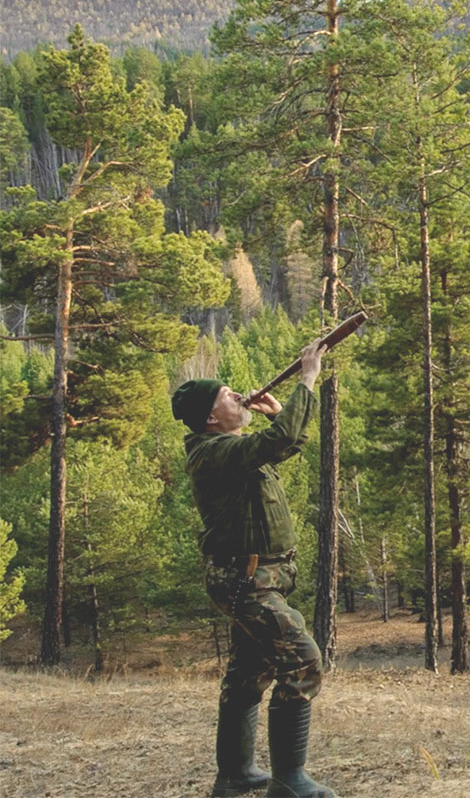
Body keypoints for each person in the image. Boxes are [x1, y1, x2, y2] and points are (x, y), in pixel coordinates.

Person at [171, 340, 334, 798]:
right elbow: (277, 441)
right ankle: (289, 781)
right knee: (303, 661)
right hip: (247, 582)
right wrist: (307, 377)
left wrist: (279, 412)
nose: (240, 396)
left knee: (248, 673)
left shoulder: (230, 447)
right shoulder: (211, 453)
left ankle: (237, 774)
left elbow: (284, 443)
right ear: (210, 416)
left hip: (260, 577)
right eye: (228, 396)